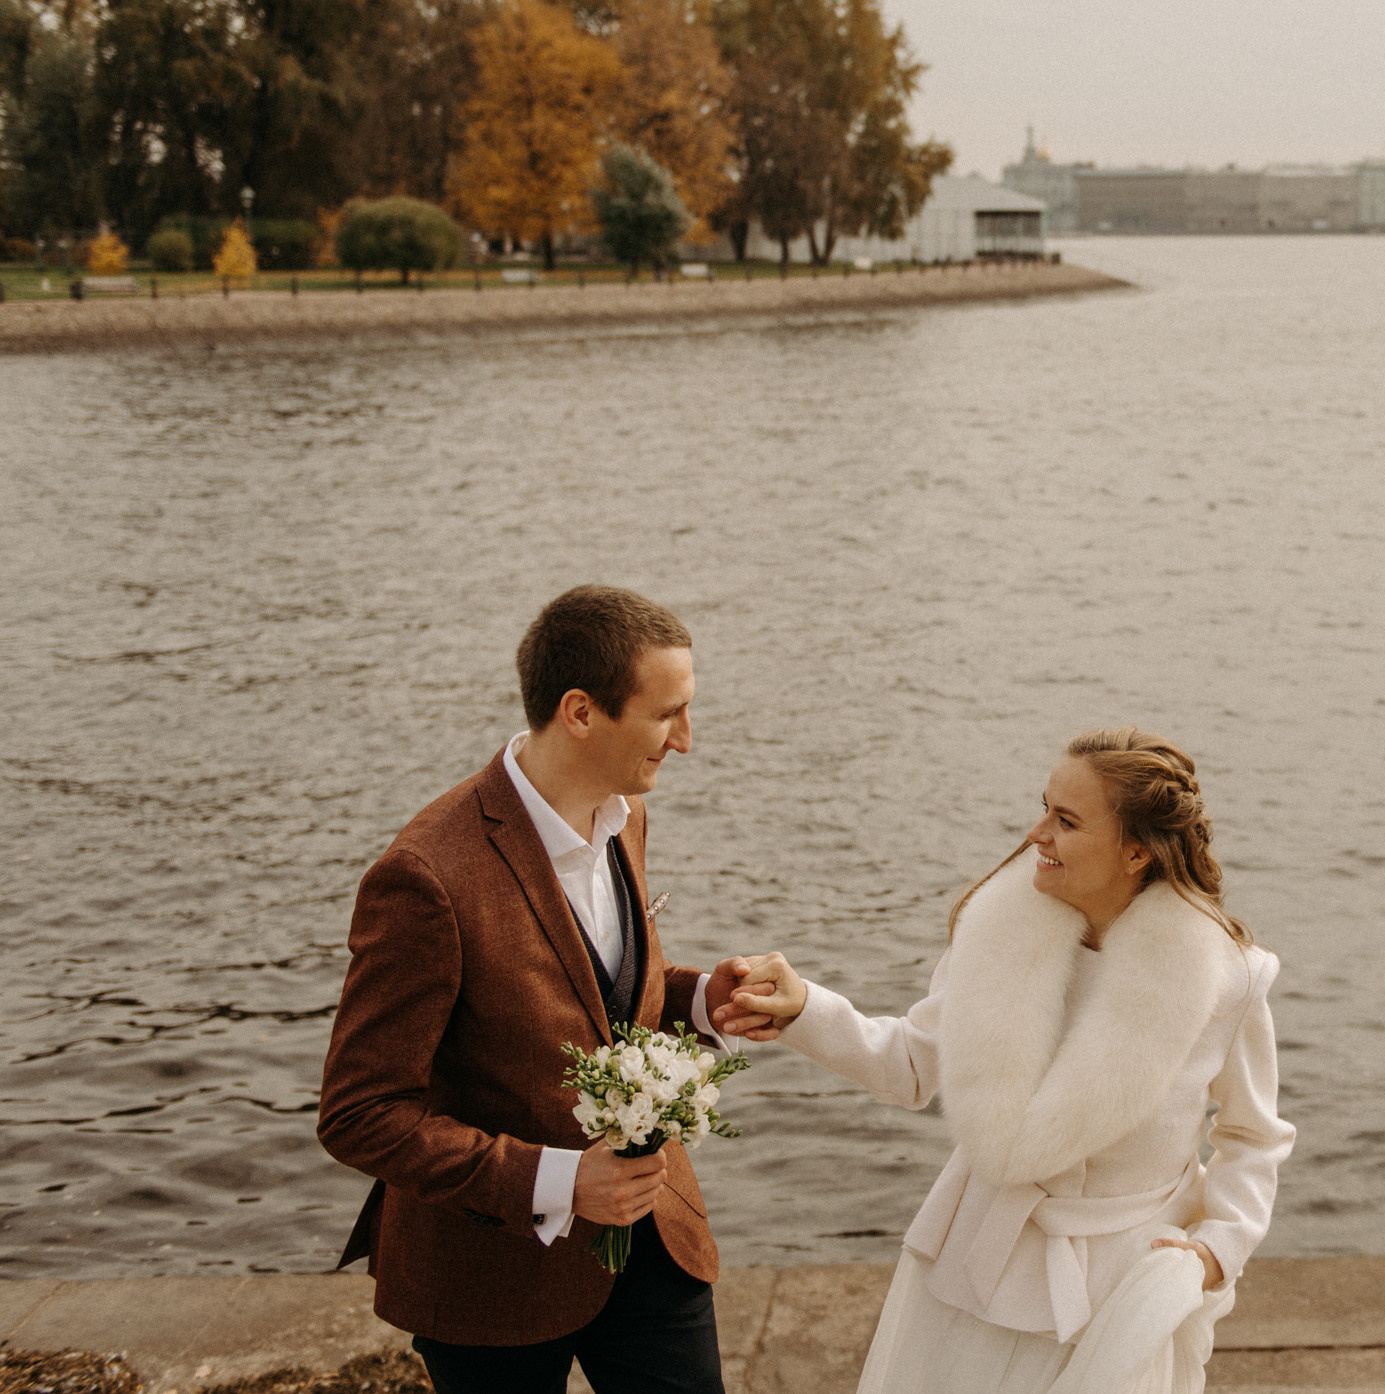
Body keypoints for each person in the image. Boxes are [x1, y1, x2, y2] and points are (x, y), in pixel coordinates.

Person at [318, 585, 788, 1394]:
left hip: (652, 1234)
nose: (686, 740)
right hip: (489, 1280)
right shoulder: (425, 877)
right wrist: (564, 1181)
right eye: (667, 714)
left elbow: (594, 993)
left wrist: (703, 998)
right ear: (580, 712)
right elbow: (360, 1113)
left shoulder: (625, 814)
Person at [727, 727, 1295, 1394]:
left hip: (1119, 1296)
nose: (1036, 834)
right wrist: (803, 1011)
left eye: (1066, 820)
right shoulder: (997, 935)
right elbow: (912, 1065)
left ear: (1136, 850)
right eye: (1044, 808)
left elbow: (1253, 1138)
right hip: (972, 1272)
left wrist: (1214, 1250)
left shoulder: (1226, 979)